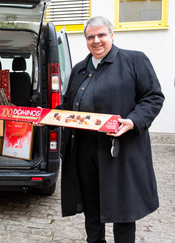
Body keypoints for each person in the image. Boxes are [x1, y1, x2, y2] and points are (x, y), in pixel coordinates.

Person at [55, 16, 164, 242]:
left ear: (111, 35)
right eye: (90, 37)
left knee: (123, 209)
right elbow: (67, 106)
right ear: (85, 40)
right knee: (92, 205)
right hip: (85, 150)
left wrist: (133, 121)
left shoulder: (134, 60)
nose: (96, 41)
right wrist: (46, 116)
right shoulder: (79, 69)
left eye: (101, 35)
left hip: (120, 150)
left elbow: (153, 97)